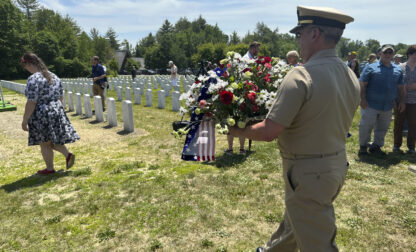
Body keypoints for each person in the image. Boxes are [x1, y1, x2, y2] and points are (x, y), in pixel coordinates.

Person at [230, 6, 360, 251]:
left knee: (317, 240)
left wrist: (237, 131)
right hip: (334, 164)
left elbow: (269, 131)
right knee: (298, 218)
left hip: (307, 170)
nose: (298, 40)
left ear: (315, 34)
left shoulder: (301, 75)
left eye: (300, 33)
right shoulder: (348, 73)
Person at [21, 53, 79, 175]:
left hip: (42, 112)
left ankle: (50, 168)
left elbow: (32, 102)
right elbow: (61, 97)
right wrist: (60, 112)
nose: (25, 68)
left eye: (24, 65)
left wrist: (25, 120)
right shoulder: (54, 76)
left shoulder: (33, 78)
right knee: (52, 140)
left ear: (29, 63)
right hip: (56, 110)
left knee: (44, 143)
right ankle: (67, 155)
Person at [359, 44, 406, 155]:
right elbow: (362, 84)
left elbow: (401, 88)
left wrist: (402, 101)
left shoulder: (397, 69)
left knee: (382, 128)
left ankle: (376, 146)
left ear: (393, 55)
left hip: (388, 105)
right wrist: (363, 100)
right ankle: (363, 146)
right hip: (371, 104)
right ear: (380, 54)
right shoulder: (371, 67)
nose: (388, 55)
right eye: (385, 52)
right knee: (366, 126)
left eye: (390, 53)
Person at [226, 41, 261, 154]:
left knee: (243, 121)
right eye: (257, 49)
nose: (258, 51)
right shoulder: (245, 59)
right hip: (240, 92)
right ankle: (231, 148)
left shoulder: (252, 59)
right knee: (232, 122)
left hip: (247, 92)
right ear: (252, 48)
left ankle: (241, 148)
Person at [393, 45, 416, 153]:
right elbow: (394, 82)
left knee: (413, 124)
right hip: (400, 99)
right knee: (399, 123)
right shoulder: (400, 67)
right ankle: (397, 145)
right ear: (409, 54)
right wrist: (404, 87)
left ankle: (411, 146)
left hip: (414, 101)